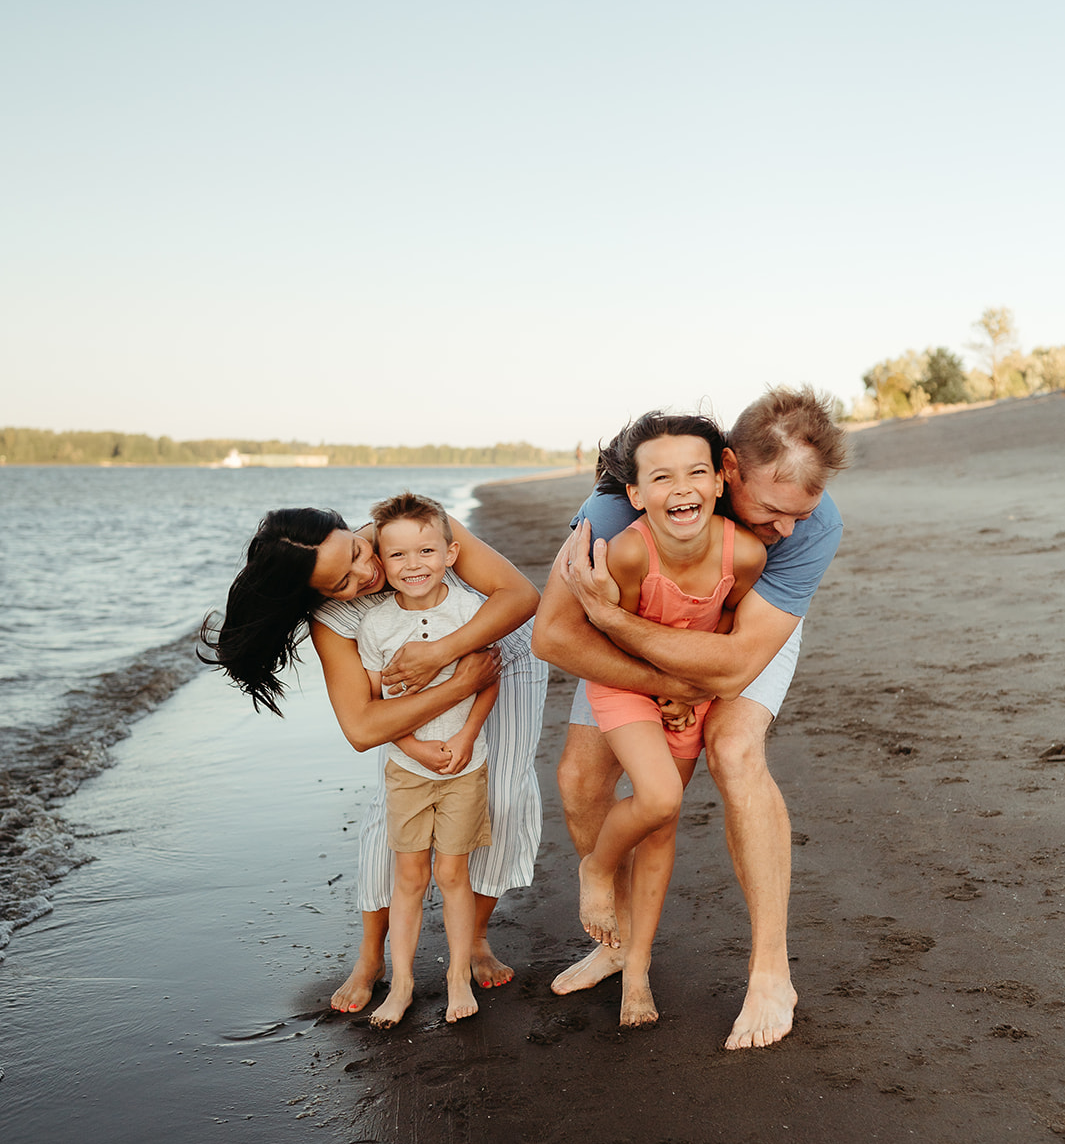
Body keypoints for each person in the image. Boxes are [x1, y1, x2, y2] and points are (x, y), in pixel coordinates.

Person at [531, 386, 847, 1050]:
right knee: (580, 780)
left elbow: (733, 665)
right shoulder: (617, 509)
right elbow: (556, 636)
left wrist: (628, 633)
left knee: (733, 752)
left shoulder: (807, 526)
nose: (787, 526)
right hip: (641, 626)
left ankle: (770, 974)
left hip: (744, 626)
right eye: (770, 508)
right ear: (728, 469)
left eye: (802, 512)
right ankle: (616, 940)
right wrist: (656, 677)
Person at [201, 503, 546, 1012]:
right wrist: (457, 685)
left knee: (504, 799)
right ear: (316, 594)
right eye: (341, 581)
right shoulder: (334, 620)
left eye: (359, 551)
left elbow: (521, 596)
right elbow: (362, 728)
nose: (368, 572)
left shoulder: (412, 530)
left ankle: (473, 936)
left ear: (353, 530)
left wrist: (444, 654)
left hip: (497, 658)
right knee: (390, 823)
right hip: (428, 696)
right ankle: (371, 957)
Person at [570, 412, 766, 1028]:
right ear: (635, 493)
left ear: (718, 483)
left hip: (695, 687)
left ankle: (636, 970)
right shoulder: (627, 552)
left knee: (662, 823)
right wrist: (663, 691)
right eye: (660, 477)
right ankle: (597, 868)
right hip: (628, 684)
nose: (679, 488)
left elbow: (733, 631)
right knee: (655, 797)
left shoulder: (748, 553)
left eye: (694, 473)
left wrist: (693, 690)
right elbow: (616, 643)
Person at [356, 493, 500, 1028]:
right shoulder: (376, 626)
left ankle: (457, 976)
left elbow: (487, 681)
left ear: (451, 552)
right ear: (381, 562)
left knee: (454, 874)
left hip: (468, 762)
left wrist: (466, 737)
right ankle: (403, 984)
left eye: (425, 551)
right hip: (407, 770)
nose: (412, 565)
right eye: (397, 556)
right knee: (410, 876)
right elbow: (376, 706)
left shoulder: (469, 614)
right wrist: (413, 748)